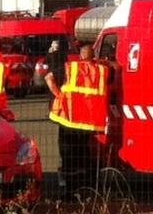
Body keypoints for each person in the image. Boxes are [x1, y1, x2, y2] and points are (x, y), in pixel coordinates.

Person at [47, 45, 109, 197]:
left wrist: (59, 96)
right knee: (84, 153)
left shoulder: (70, 68)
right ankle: (87, 188)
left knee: (68, 156)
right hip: (87, 122)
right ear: (93, 56)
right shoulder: (102, 71)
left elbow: (49, 78)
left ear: (80, 56)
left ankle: (70, 191)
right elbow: (115, 70)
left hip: (68, 120)